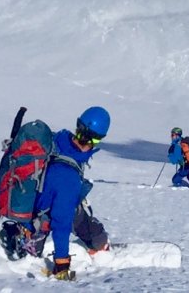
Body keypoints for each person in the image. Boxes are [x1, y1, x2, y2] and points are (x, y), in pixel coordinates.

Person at [33, 105, 111, 280]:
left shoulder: (57, 140)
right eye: (97, 142)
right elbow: (62, 221)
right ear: (93, 140)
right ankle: (99, 245)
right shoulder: (67, 177)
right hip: (40, 216)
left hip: (36, 202)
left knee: (73, 205)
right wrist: (62, 263)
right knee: (75, 211)